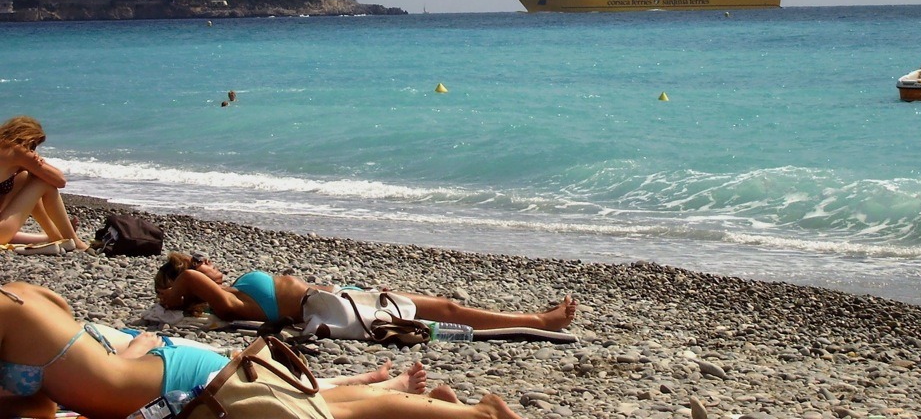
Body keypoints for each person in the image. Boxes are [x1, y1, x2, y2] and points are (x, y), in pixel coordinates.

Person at [0, 281, 531, 419]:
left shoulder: (9, 309)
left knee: (326, 415)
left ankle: (481, 414)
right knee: (320, 406)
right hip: (166, 375)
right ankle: (441, 405)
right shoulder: (22, 299)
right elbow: (45, 395)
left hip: (177, 383)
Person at [155, 251, 576, 333]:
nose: (209, 261)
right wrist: (172, 291)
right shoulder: (228, 302)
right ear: (189, 277)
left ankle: (531, 317)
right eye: (199, 260)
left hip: (345, 295)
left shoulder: (231, 294)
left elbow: (190, 283)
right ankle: (540, 321)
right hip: (341, 307)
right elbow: (184, 286)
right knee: (446, 308)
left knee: (444, 306)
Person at [0, 116, 88, 251]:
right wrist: (38, 162)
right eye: (33, 146)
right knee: (43, 182)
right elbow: (60, 180)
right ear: (28, 139)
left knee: (25, 177)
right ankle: (72, 239)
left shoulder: (5, 148)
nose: (33, 151)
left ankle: (53, 235)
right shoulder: (17, 151)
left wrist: (30, 165)